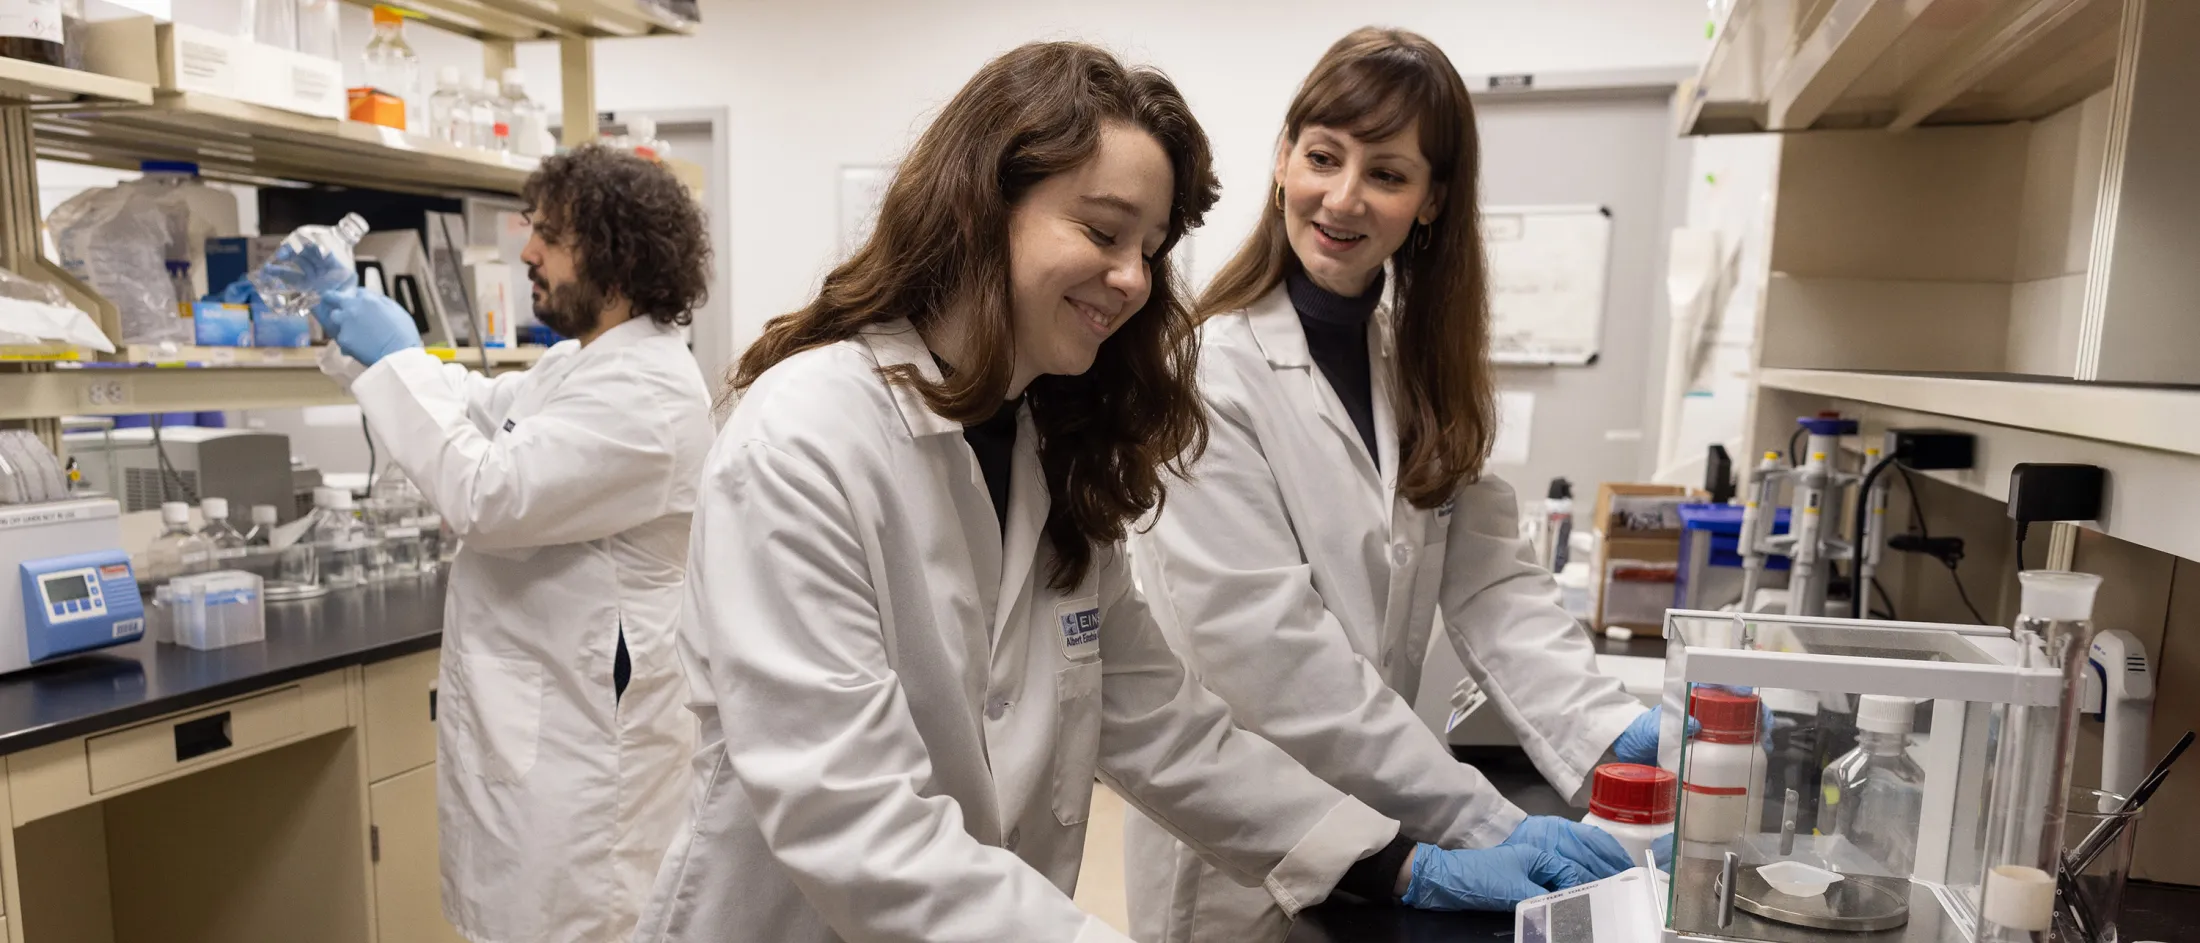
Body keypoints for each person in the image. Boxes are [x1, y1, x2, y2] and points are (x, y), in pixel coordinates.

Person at [633, 41, 1613, 943]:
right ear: (982, 202)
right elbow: (854, 821)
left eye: (1150, 246)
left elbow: (1166, 727)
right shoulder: (806, 437)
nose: (1133, 278)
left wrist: (1393, 860)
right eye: (1104, 231)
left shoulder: (1044, 443)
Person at [1123, 27, 1666, 942]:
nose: (1343, 198)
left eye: (1387, 173)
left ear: (1431, 200)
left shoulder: (1415, 367)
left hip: (1389, 817)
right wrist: (1483, 821)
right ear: (1283, 161)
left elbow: (1492, 583)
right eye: (1322, 158)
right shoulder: (1204, 375)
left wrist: (1608, 732)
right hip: (1244, 844)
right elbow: (1275, 661)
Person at [309, 146, 714, 943]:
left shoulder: (650, 393)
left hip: (585, 756)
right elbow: (472, 405)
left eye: (550, 235)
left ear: (615, 253)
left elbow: (487, 494)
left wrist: (395, 357)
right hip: (537, 724)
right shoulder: (578, 365)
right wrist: (354, 331)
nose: (527, 251)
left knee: (578, 922)